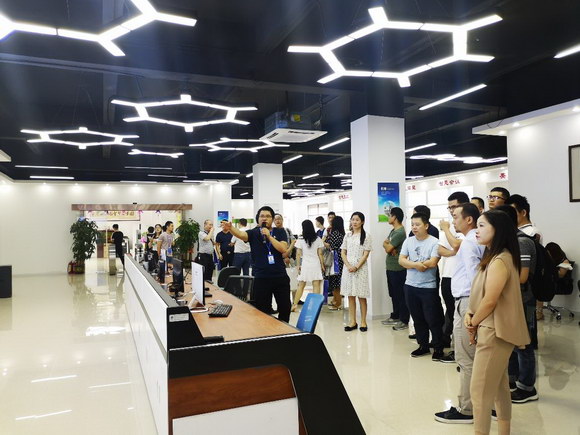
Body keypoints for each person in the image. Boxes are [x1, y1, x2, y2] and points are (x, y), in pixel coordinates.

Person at [466, 209, 530, 435]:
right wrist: (471, 315)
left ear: (498, 229)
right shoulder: (494, 257)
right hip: (491, 327)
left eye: (482, 225)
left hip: (493, 331)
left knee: (480, 391)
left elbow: (490, 300)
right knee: (499, 388)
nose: (476, 230)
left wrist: (473, 321)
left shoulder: (500, 260)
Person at [435, 203, 485, 424]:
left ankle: (467, 409)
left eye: (455, 217)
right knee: (473, 357)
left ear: (469, 220)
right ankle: (481, 404)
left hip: (467, 302)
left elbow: (475, 279)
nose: (452, 221)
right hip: (467, 302)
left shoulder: (469, 243)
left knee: (466, 358)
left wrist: (472, 310)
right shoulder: (474, 241)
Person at [495, 205, 540, 405]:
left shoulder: (521, 243)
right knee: (511, 340)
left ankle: (527, 387)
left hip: (523, 300)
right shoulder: (509, 242)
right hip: (513, 299)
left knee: (523, 343)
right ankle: (512, 379)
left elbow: (522, 277)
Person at [223, 206, 291, 322]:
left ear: (272, 219)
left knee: (285, 308)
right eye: (262, 216)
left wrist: (269, 236)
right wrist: (231, 228)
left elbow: (283, 249)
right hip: (261, 278)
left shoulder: (280, 231)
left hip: (280, 276)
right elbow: (241, 234)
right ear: (258, 219)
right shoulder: (253, 233)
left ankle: (284, 330)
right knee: (262, 311)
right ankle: (266, 331)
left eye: (268, 216)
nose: (264, 218)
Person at [399, 213, 443, 360]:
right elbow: (401, 260)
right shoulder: (408, 241)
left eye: (417, 224)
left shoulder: (434, 242)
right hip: (410, 285)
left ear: (426, 225)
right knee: (417, 318)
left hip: (428, 287)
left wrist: (411, 264)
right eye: (412, 224)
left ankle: (438, 348)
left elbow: (433, 262)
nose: (414, 227)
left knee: (433, 318)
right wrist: (416, 265)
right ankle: (423, 345)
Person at [438, 191, 470, 350]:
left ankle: (459, 348)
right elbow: (440, 250)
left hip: (463, 278)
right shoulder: (451, 226)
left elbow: (457, 244)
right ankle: (450, 343)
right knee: (451, 311)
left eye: (454, 206)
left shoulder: (468, 225)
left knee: (460, 314)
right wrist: (453, 251)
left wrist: (446, 230)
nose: (451, 210)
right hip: (447, 275)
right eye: (449, 207)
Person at [506, 194, 545, 320]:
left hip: (526, 287)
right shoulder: (517, 232)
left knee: (527, 323)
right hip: (519, 287)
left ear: (523, 212)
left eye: (513, 213)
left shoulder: (531, 233)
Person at [341, 212, 372, 332]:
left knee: (361, 296)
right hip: (348, 269)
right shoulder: (347, 235)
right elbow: (343, 252)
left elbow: (366, 254)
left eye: (357, 220)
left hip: (361, 269)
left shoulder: (367, 236)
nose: (354, 222)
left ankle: (363, 322)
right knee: (350, 296)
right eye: (353, 219)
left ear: (362, 222)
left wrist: (356, 266)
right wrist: (348, 265)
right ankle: (352, 321)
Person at [382, 207, 409, 330]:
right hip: (390, 267)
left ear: (395, 217)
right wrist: (388, 246)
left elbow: (388, 247)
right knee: (393, 294)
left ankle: (404, 319)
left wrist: (389, 247)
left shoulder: (400, 232)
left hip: (398, 268)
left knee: (400, 295)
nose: (388, 218)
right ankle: (396, 316)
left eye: (390, 215)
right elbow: (385, 244)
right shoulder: (393, 231)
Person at [292, 220, 325, 311]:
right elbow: (320, 254)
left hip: (305, 264)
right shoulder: (318, 239)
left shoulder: (300, 240)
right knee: (316, 285)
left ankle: (294, 305)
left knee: (301, 285)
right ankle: (315, 306)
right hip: (315, 264)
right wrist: (322, 265)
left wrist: (298, 265)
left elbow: (298, 254)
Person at [325, 215, 345, 310]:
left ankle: (338, 303)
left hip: (335, 259)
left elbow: (330, 245)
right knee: (337, 281)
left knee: (335, 282)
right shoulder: (342, 233)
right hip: (341, 259)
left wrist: (322, 242)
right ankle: (335, 300)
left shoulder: (335, 234)